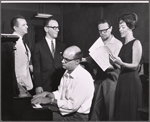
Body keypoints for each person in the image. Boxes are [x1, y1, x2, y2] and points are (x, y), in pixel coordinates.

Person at [31, 45, 95, 121]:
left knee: (42, 118)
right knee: (37, 114)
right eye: (62, 58)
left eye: (66, 60)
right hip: (66, 112)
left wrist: (50, 100)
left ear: (77, 61)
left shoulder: (83, 77)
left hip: (77, 117)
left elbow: (72, 106)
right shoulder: (67, 71)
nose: (62, 61)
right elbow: (60, 93)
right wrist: (47, 94)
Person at [109, 13, 143, 120]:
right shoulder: (123, 46)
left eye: (123, 27)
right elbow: (122, 68)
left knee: (129, 112)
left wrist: (121, 63)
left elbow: (135, 65)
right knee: (122, 112)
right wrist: (115, 62)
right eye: (119, 27)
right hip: (122, 80)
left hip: (131, 82)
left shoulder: (136, 43)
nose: (120, 30)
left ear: (130, 27)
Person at [89, 19, 122, 121]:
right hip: (99, 77)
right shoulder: (98, 43)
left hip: (111, 78)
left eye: (105, 30)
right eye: (100, 31)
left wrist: (102, 63)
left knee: (110, 107)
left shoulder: (118, 44)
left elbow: (118, 65)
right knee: (95, 108)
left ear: (111, 28)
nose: (102, 33)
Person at [33, 17, 66, 94]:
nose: (57, 30)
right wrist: (38, 85)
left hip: (60, 83)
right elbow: (36, 67)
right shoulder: (38, 46)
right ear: (46, 29)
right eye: (54, 27)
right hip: (44, 84)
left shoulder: (62, 45)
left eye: (58, 27)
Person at [11, 15, 33, 92]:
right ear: (15, 28)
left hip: (25, 82)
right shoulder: (12, 42)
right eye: (23, 25)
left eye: (26, 24)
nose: (27, 27)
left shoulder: (23, 42)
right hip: (18, 83)